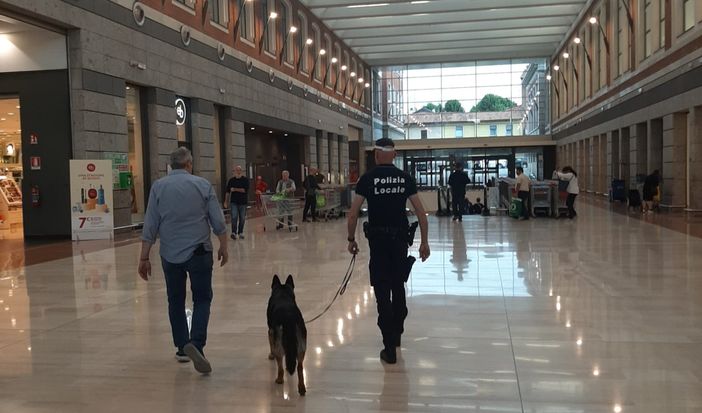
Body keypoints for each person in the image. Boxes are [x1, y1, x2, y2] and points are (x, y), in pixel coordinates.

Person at [138, 147, 228, 374]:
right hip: (199, 252)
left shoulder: (158, 187)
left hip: (170, 254)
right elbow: (218, 221)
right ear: (189, 164)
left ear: (171, 165)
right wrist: (223, 245)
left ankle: (181, 347)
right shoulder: (202, 185)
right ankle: (196, 343)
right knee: (202, 298)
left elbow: (151, 223)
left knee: (175, 300)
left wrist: (144, 257)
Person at [347, 138, 430, 365]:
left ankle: (389, 347)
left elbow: (353, 214)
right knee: (398, 285)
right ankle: (398, 331)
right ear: (394, 155)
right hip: (399, 241)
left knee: (382, 289)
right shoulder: (405, 178)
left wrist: (351, 239)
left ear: (375, 155)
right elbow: (421, 213)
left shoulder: (367, 179)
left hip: (378, 243)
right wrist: (424, 242)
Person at [224, 165, 249, 240]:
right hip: (234, 202)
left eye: (239, 170)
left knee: (242, 218)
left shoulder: (245, 180)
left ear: (241, 171)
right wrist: (225, 201)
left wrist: (234, 189)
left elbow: (244, 190)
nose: (238, 171)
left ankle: (240, 232)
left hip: (243, 202)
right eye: (236, 170)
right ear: (234, 171)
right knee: (234, 217)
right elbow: (228, 192)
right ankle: (233, 232)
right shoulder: (231, 180)